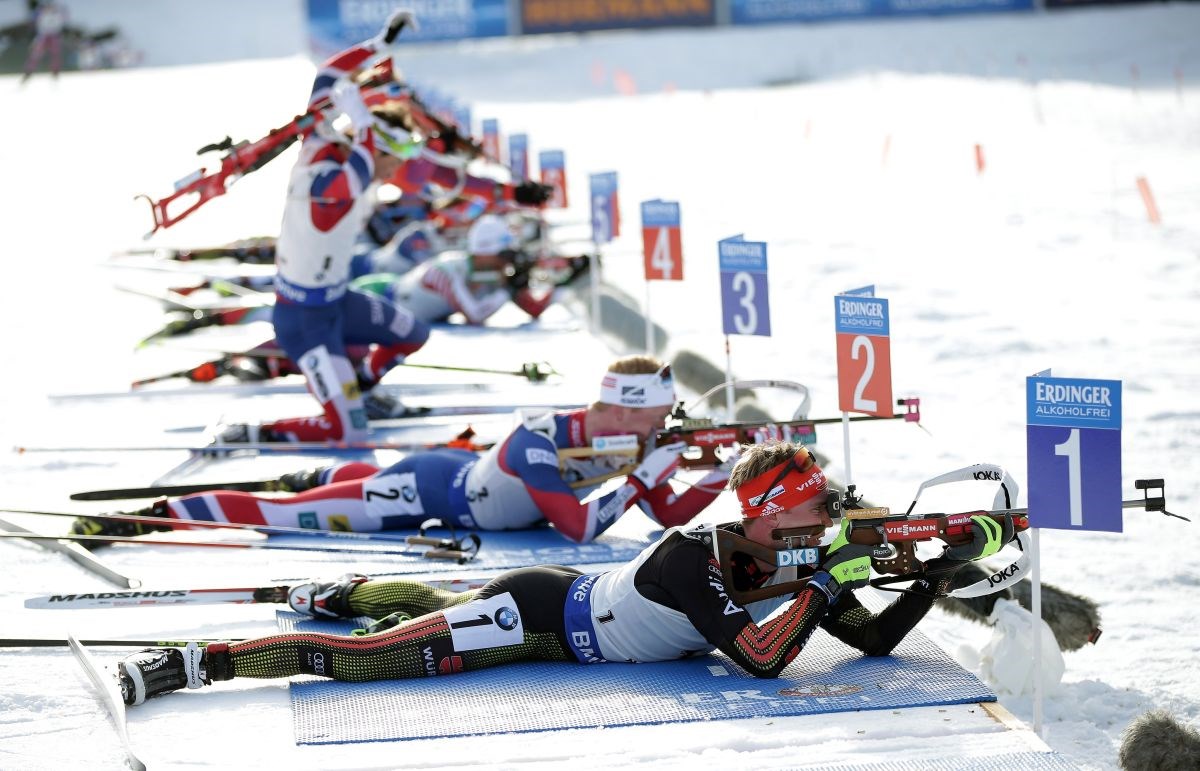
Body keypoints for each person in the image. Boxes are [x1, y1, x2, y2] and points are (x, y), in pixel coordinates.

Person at [111, 440, 1013, 706]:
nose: (833, 518)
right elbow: (765, 659)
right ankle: (197, 659)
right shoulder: (688, 557)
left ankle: (343, 593)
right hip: (536, 617)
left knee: (421, 605)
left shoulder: (795, 555)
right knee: (372, 657)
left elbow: (867, 638)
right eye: (821, 509)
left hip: (564, 602)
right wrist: (828, 580)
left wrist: (929, 572)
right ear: (771, 516)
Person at [73, 356, 727, 545]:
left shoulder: (623, 435)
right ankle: (153, 513)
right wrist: (647, 473)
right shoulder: (540, 441)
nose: (656, 427)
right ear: (614, 406)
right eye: (650, 417)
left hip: (450, 475)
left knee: (345, 481)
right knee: (284, 514)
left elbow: (667, 514)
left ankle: (335, 473)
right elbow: (582, 527)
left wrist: (717, 472)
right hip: (423, 493)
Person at [216, 10, 434, 444]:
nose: (392, 176)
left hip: (337, 302)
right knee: (348, 432)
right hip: (303, 321)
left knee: (414, 333)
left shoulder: (327, 140)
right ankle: (252, 432)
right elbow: (338, 198)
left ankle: (360, 389)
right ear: (375, 151)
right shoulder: (332, 175)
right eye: (392, 162)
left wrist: (378, 45)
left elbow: (329, 73)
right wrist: (367, 125)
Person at [356, 213, 587, 326]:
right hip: (374, 296)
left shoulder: (492, 273)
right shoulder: (447, 270)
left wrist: (561, 284)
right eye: (503, 254)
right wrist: (506, 290)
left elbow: (532, 309)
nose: (507, 261)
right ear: (485, 252)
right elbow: (475, 315)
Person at [21, 0, 67, 82]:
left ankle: (55, 73)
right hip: (43, 35)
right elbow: (33, 21)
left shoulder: (58, 12)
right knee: (35, 55)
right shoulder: (40, 12)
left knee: (55, 55)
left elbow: (62, 21)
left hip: (54, 35)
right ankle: (28, 72)